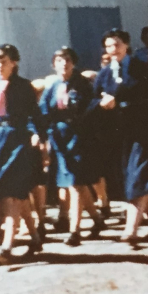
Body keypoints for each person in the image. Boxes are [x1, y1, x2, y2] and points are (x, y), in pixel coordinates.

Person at [92, 28, 148, 243]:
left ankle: (131, 230)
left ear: (126, 45)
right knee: (133, 179)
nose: (113, 50)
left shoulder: (140, 67)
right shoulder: (104, 73)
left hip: (143, 129)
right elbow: (93, 100)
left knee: (137, 178)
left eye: (117, 44)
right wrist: (102, 105)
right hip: (120, 133)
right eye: (109, 46)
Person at [38, 47, 107, 246]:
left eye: (67, 60)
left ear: (73, 62)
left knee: (75, 183)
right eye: (59, 60)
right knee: (75, 183)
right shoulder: (53, 86)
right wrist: (40, 135)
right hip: (59, 139)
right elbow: (43, 110)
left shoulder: (82, 84)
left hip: (79, 137)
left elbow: (92, 108)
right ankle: (97, 220)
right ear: (54, 64)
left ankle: (74, 231)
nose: (63, 64)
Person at [0, 44, 43, 259]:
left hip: (18, 140)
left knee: (11, 195)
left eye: (3, 61)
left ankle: (7, 246)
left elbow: (34, 114)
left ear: (13, 63)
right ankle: (35, 237)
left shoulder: (24, 86)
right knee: (15, 194)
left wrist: (36, 133)